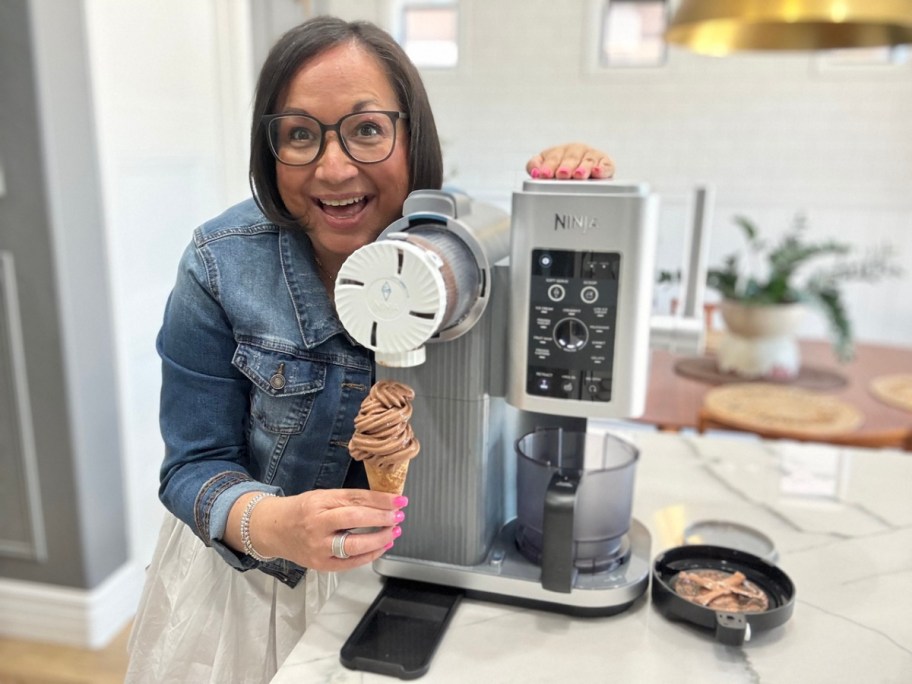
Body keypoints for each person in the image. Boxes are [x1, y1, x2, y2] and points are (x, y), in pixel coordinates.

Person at [125, 15, 615, 684]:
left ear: (412, 138)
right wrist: (270, 523)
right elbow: (192, 467)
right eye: (300, 135)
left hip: (429, 583)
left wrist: (571, 206)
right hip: (261, 589)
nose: (332, 168)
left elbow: (565, 336)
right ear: (270, 151)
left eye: (366, 130)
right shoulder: (221, 265)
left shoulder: (475, 255)